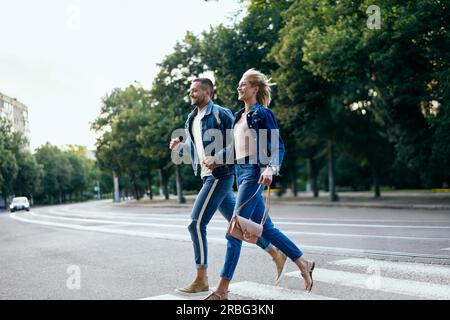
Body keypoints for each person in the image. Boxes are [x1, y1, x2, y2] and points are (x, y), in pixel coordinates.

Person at [203, 69, 315, 300]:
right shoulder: (238, 117)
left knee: (234, 231)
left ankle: (222, 289)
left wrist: (270, 168)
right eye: (239, 84)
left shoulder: (262, 113)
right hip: (240, 173)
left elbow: (277, 146)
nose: (239, 88)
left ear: (255, 88)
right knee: (268, 229)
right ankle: (303, 262)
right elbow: (235, 149)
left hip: (255, 173)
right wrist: (216, 159)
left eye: (244, 84)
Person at [169, 78, 287, 294]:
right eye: (190, 91)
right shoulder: (191, 118)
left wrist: (220, 158)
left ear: (207, 92)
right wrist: (181, 146)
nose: (191, 93)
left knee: (195, 224)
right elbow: (197, 147)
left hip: (221, 175)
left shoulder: (221, 113)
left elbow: (238, 141)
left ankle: (201, 278)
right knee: (240, 226)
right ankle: (275, 253)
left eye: (195, 90)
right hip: (206, 176)